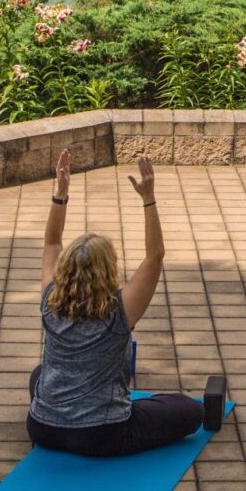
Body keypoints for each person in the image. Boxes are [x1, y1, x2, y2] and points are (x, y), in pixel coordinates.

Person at [28, 152, 205, 456]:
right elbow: (155, 257)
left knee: (38, 374)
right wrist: (148, 199)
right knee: (189, 409)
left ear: (65, 269)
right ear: (108, 270)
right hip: (102, 435)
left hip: (43, 428)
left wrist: (60, 195)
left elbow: (51, 244)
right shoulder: (119, 312)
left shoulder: (49, 300)